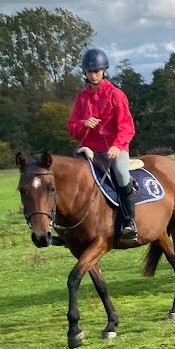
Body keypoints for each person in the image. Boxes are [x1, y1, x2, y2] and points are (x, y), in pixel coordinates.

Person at [67, 48, 138, 241]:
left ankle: (129, 221)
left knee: (122, 173)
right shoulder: (81, 97)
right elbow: (71, 128)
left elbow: (127, 126)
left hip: (115, 148)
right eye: (90, 72)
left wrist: (117, 146)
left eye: (96, 71)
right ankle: (69, 228)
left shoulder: (116, 94)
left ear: (104, 71)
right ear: (85, 73)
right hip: (89, 149)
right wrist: (83, 124)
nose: (93, 75)